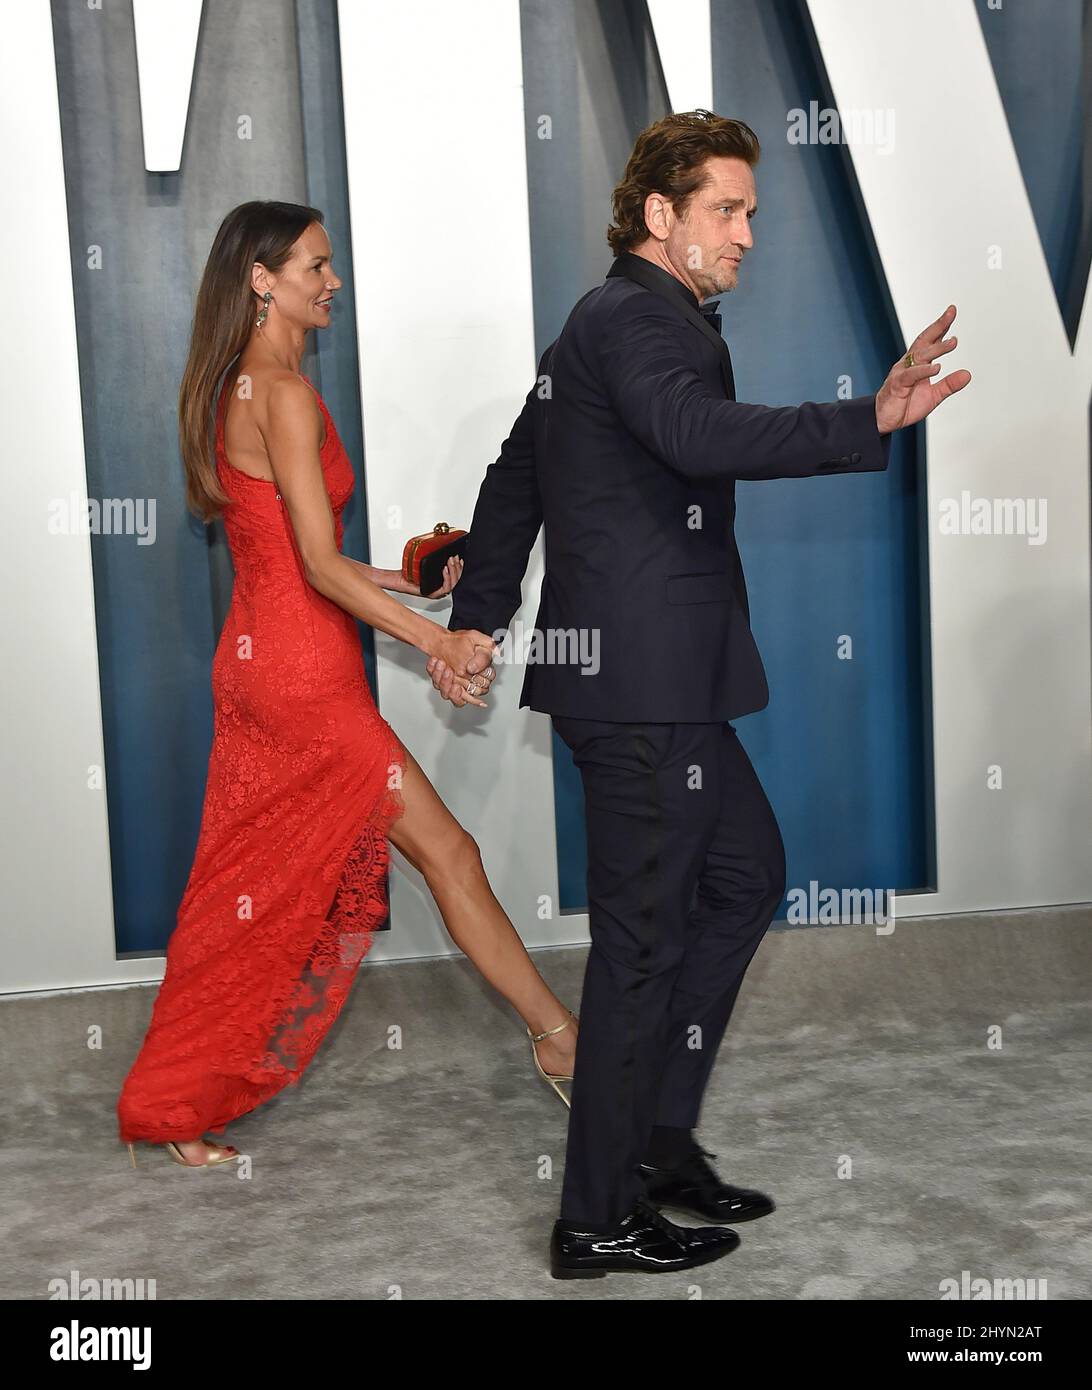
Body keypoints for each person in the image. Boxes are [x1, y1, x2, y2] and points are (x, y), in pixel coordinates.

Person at [435, 110, 971, 1278]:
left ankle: (654, 1140)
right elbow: (693, 433)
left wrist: (479, 614)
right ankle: (592, 1216)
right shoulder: (635, 320)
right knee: (639, 946)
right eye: (727, 210)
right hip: (637, 688)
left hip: (654, 681)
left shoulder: (611, 322)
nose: (747, 232)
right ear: (659, 214)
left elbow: (515, 471)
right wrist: (863, 418)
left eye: (752, 211)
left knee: (742, 877)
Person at [117, 201, 578, 1169]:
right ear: (263, 279)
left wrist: (406, 581)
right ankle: (560, 1038)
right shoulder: (280, 391)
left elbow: (300, 556)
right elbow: (317, 571)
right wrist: (439, 645)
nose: (333, 282)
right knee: (445, 851)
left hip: (261, 669)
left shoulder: (234, 386)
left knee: (242, 889)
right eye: (317, 267)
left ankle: (172, 1102)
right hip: (304, 680)